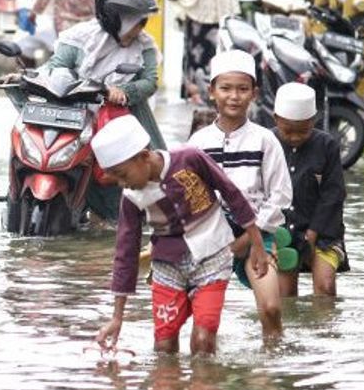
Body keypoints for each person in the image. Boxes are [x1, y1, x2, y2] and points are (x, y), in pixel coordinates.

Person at [92, 115, 269, 356]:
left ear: (144, 157)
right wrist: (117, 317)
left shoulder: (189, 158)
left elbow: (231, 193)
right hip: (167, 267)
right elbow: (126, 252)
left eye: (123, 175)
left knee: (203, 340)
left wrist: (257, 244)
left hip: (213, 257)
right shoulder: (131, 198)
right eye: (116, 179)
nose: (123, 184)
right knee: (164, 345)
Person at [27, 0, 167, 221]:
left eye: (143, 21)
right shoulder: (80, 37)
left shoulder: (145, 45)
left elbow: (150, 80)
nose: (141, 28)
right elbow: (56, 66)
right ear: (116, 18)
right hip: (77, 115)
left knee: (153, 177)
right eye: (137, 21)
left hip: (127, 116)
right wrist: (28, 77)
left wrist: (125, 92)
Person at [187, 50, 293, 342]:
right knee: (204, 325)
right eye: (226, 88)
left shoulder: (264, 139)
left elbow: (280, 196)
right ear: (212, 92)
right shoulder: (198, 143)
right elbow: (189, 195)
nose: (234, 96)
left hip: (257, 236)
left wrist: (249, 238)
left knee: (271, 308)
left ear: (254, 94)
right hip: (211, 239)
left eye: (242, 89)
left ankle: (272, 363)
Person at [272, 83, 348, 297]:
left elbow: (333, 194)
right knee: (283, 297)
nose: (295, 137)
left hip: (323, 232)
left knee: (325, 288)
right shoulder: (266, 142)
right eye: (288, 131)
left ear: (313, 121)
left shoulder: (327, 145)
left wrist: (312, 234)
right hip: (281, 233)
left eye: (303, 131)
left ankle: (324, 330)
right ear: (275, 119)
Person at [161, 0, 240, 104]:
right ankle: (194, 93)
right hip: (197, 23)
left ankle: (213, 91)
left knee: (215, 58)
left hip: (217, 24)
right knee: (195, 59)